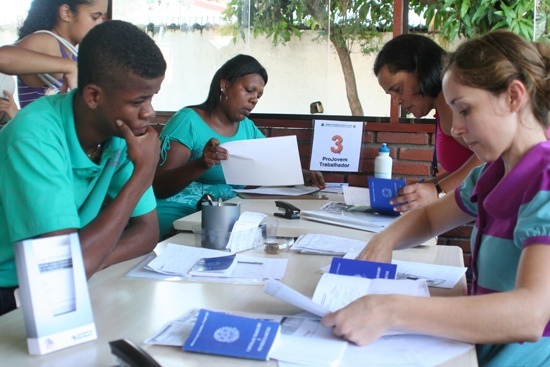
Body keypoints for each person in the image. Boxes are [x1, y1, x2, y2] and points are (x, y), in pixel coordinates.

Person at [321, 30, 550, 366]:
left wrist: (392, 310)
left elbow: (530, 314)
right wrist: (385, 241)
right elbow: (430, 217)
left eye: (465, 110)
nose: (455, 127)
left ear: (514, 97)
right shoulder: (490, 174)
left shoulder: (544, 181)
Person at [0, 20, 166, 316]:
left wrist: (89, 261)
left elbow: (147, 232)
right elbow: (62, 270)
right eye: (139, 101)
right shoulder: (35, 136)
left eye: (152, 98)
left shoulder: (119, 134)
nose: (149, 112)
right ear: (93, 96)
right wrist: (142, 174)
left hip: (62, 284)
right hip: (9, 293)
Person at [153, 54, 325, 238]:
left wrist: (302, 175)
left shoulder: (247, 127)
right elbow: (160, 186)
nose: (254, 99)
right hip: (180, 215)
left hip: (226, 218)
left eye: (259, 95)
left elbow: (270, 165)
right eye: (249, 90)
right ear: (225, 85)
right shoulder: (188, 121)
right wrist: (202, 164)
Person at [373, 34, 483, 212]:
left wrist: (437, 191)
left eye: (398, 90)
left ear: (420, 71)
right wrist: (428, 186)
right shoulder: (443, 106)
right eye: (391, 96)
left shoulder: (448, 103)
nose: (397, 102)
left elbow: (489, 158)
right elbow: (468, 166)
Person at [2, 0, 107, 109]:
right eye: (95, 17)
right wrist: (69, 66)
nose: (100, 24)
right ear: (66, 13)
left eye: (102, 18)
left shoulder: (70, 51)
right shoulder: (47, 42)